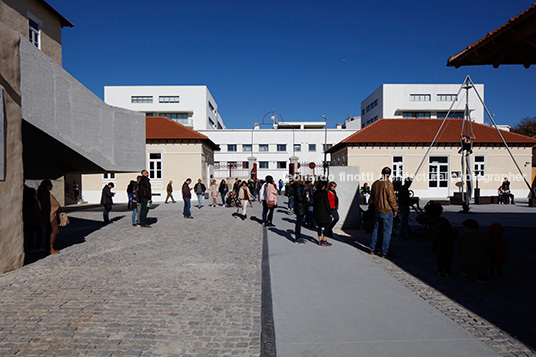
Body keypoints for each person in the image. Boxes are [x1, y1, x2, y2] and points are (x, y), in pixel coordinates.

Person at [369, 167, 398, 257]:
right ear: (389, 174)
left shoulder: (375, 183)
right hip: (387, 210)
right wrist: (395, 209)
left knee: (376, 229)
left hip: (378, 209)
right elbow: (391, 198)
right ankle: (384, 251)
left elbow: (372, 198)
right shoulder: (388, 184)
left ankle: (372, 249)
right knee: (386, 231)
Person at [37, 179, 61, 254]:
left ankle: (48, 246)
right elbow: (49, 205)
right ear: (47, 186)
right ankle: (50, 248)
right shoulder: (45, 194)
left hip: (47, 214)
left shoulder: (42, 193)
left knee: (49, 231)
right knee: (55, 230)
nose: (52, 186)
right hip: (51, 214)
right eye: (50, 185)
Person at [313, 181, 332, 246]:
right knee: (327, 225)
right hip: (324, 211)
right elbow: (327, 203)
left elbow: (314, 203)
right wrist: (330, 212)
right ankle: (324, 240)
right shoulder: (324, 193)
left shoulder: (315, 193)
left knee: (319, 226)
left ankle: (319, 240)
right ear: (324, 186)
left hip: (317, 211)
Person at [292, 179, 307, 244]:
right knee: (298, 223)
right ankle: (297, 238)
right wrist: (306, 199)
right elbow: (299, 198)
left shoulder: (299, 187)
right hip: (299, 207)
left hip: (300, 207)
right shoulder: (298, 187)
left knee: (299, 222)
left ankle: (298, 236)